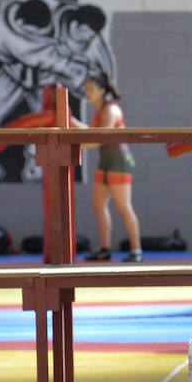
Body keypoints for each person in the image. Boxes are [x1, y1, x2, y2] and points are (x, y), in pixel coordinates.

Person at [75, 74, 142, 262]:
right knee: (98, 205)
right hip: (105, 161)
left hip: (118, 162)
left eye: (91, 89)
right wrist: (72, 125)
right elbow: (91, 133)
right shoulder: (100, 110)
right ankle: (104, 250)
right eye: (86, 89)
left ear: (102, 90)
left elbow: (99, 138)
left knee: (123, 207)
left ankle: (136, 251)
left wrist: (74, 141)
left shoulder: (110, 110)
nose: (87, 93)